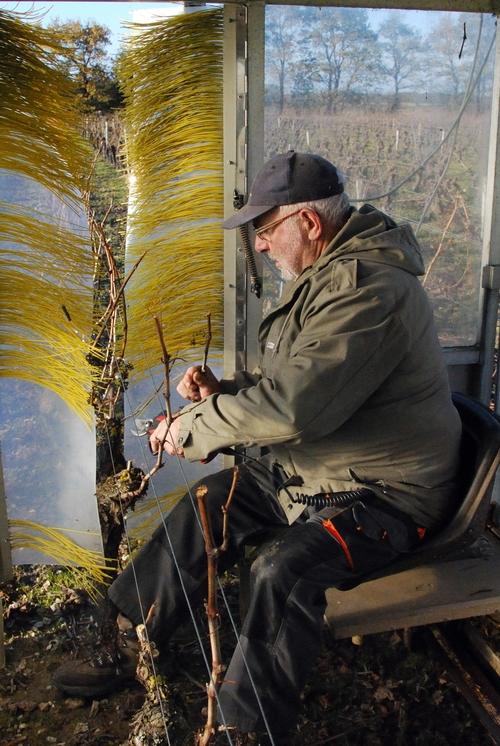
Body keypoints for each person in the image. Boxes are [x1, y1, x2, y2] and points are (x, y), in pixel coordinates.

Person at [54, 151, 462, 744]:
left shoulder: (371, 290)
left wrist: (192, 428)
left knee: (281, 573)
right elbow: (300, 384)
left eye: (265, 230)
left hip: (386, 495)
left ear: (309, 224)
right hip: (322, 466)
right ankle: (127, 636)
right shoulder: (330, 274)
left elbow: (297, 407)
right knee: (202, 506)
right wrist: (225, 392)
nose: (262, 246)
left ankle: (244, 732)